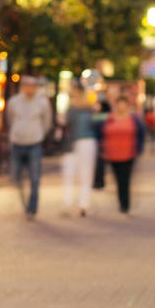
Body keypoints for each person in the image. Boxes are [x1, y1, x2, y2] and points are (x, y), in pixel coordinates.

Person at [7, 75, 52, 220]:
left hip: (34, 144)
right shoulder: (14, 102)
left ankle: (32, 209)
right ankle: (24, 202)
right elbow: (10, 119)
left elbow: (47, 122)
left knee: (35, 177)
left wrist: (39, 135)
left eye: (32, 86)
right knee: (16, 177)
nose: (30, 88)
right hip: (17, 143)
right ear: (22, 87)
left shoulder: (42, 103)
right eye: (27, 85)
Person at [98, 96, 144, 214]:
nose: (121, 107)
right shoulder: (109, 118)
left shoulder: (133, 119)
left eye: (123, 104)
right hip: (112, 153)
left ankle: (125, 204)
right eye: (119, 104)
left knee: (125, 179)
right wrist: (102, 149)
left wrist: (139, 149)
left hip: (128, 153)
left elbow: (141, 133)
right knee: (117, 179)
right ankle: (121, 201)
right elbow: (102, 134)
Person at [60, 85, 97, 217]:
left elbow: (97, 125)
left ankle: (83, 204)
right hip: (70, 145)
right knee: (68, 173)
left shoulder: (90, 109)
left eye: (75, 94)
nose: (73, 98)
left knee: (85, 174)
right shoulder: (70, 110)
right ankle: (67, 203)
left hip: (86, 142)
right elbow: (64, 125)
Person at [92, 99, 111, 189]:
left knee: (98, 163)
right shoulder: (109, 116)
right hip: (104, 142)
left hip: (99, 142)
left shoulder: (98, 117)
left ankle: (97, 182)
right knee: (101, 163)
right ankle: (100, 182)